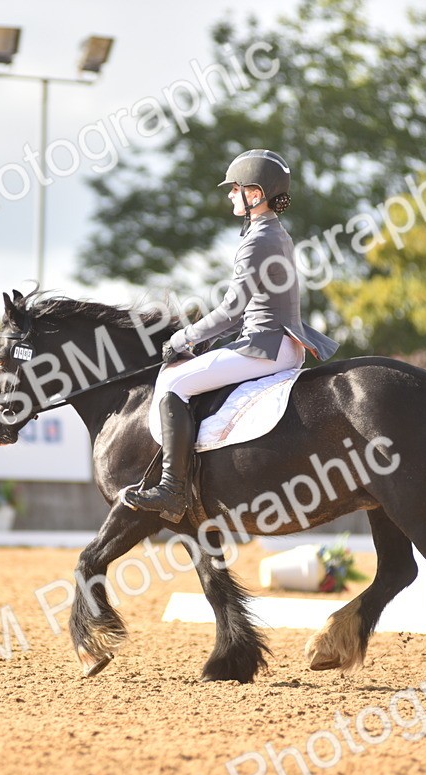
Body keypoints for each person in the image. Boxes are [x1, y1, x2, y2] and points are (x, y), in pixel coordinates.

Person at [123, 149, 340, 523]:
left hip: (265, 346)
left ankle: (172, 490)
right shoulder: (275, 233)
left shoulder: (256, 241)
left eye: (235, 188)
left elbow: (231, 310)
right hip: (283, 343)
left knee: (174, 382)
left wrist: (184, 339)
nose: (229, 195)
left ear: (255, 194)